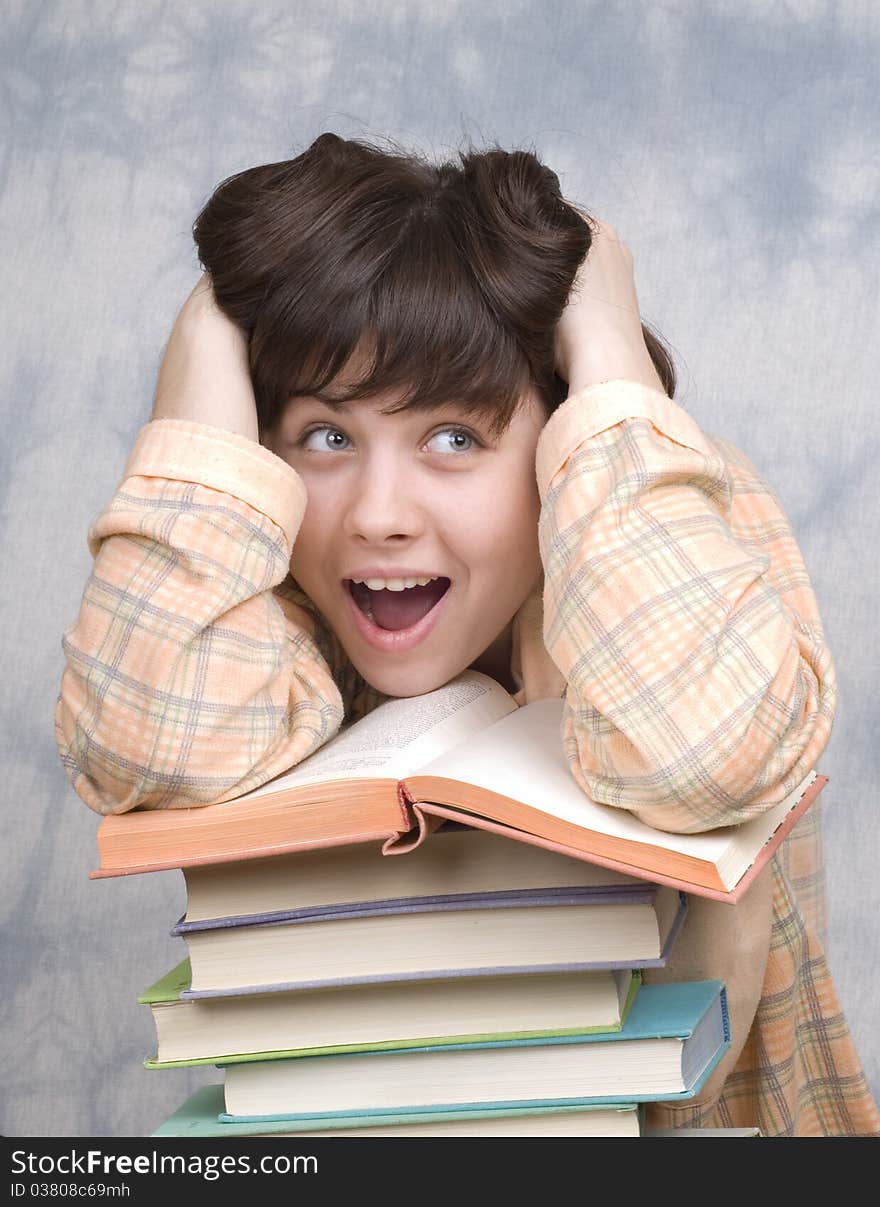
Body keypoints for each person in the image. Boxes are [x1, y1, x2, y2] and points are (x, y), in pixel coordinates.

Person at [55, 132, 879, 1136]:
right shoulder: (254, 570)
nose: (378, 513)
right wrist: (202, 372)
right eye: (325, 436)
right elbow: (149, 749)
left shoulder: (655, 509)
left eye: (455, 437)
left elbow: (701, 757)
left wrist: (612, 365)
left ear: (561, 438)